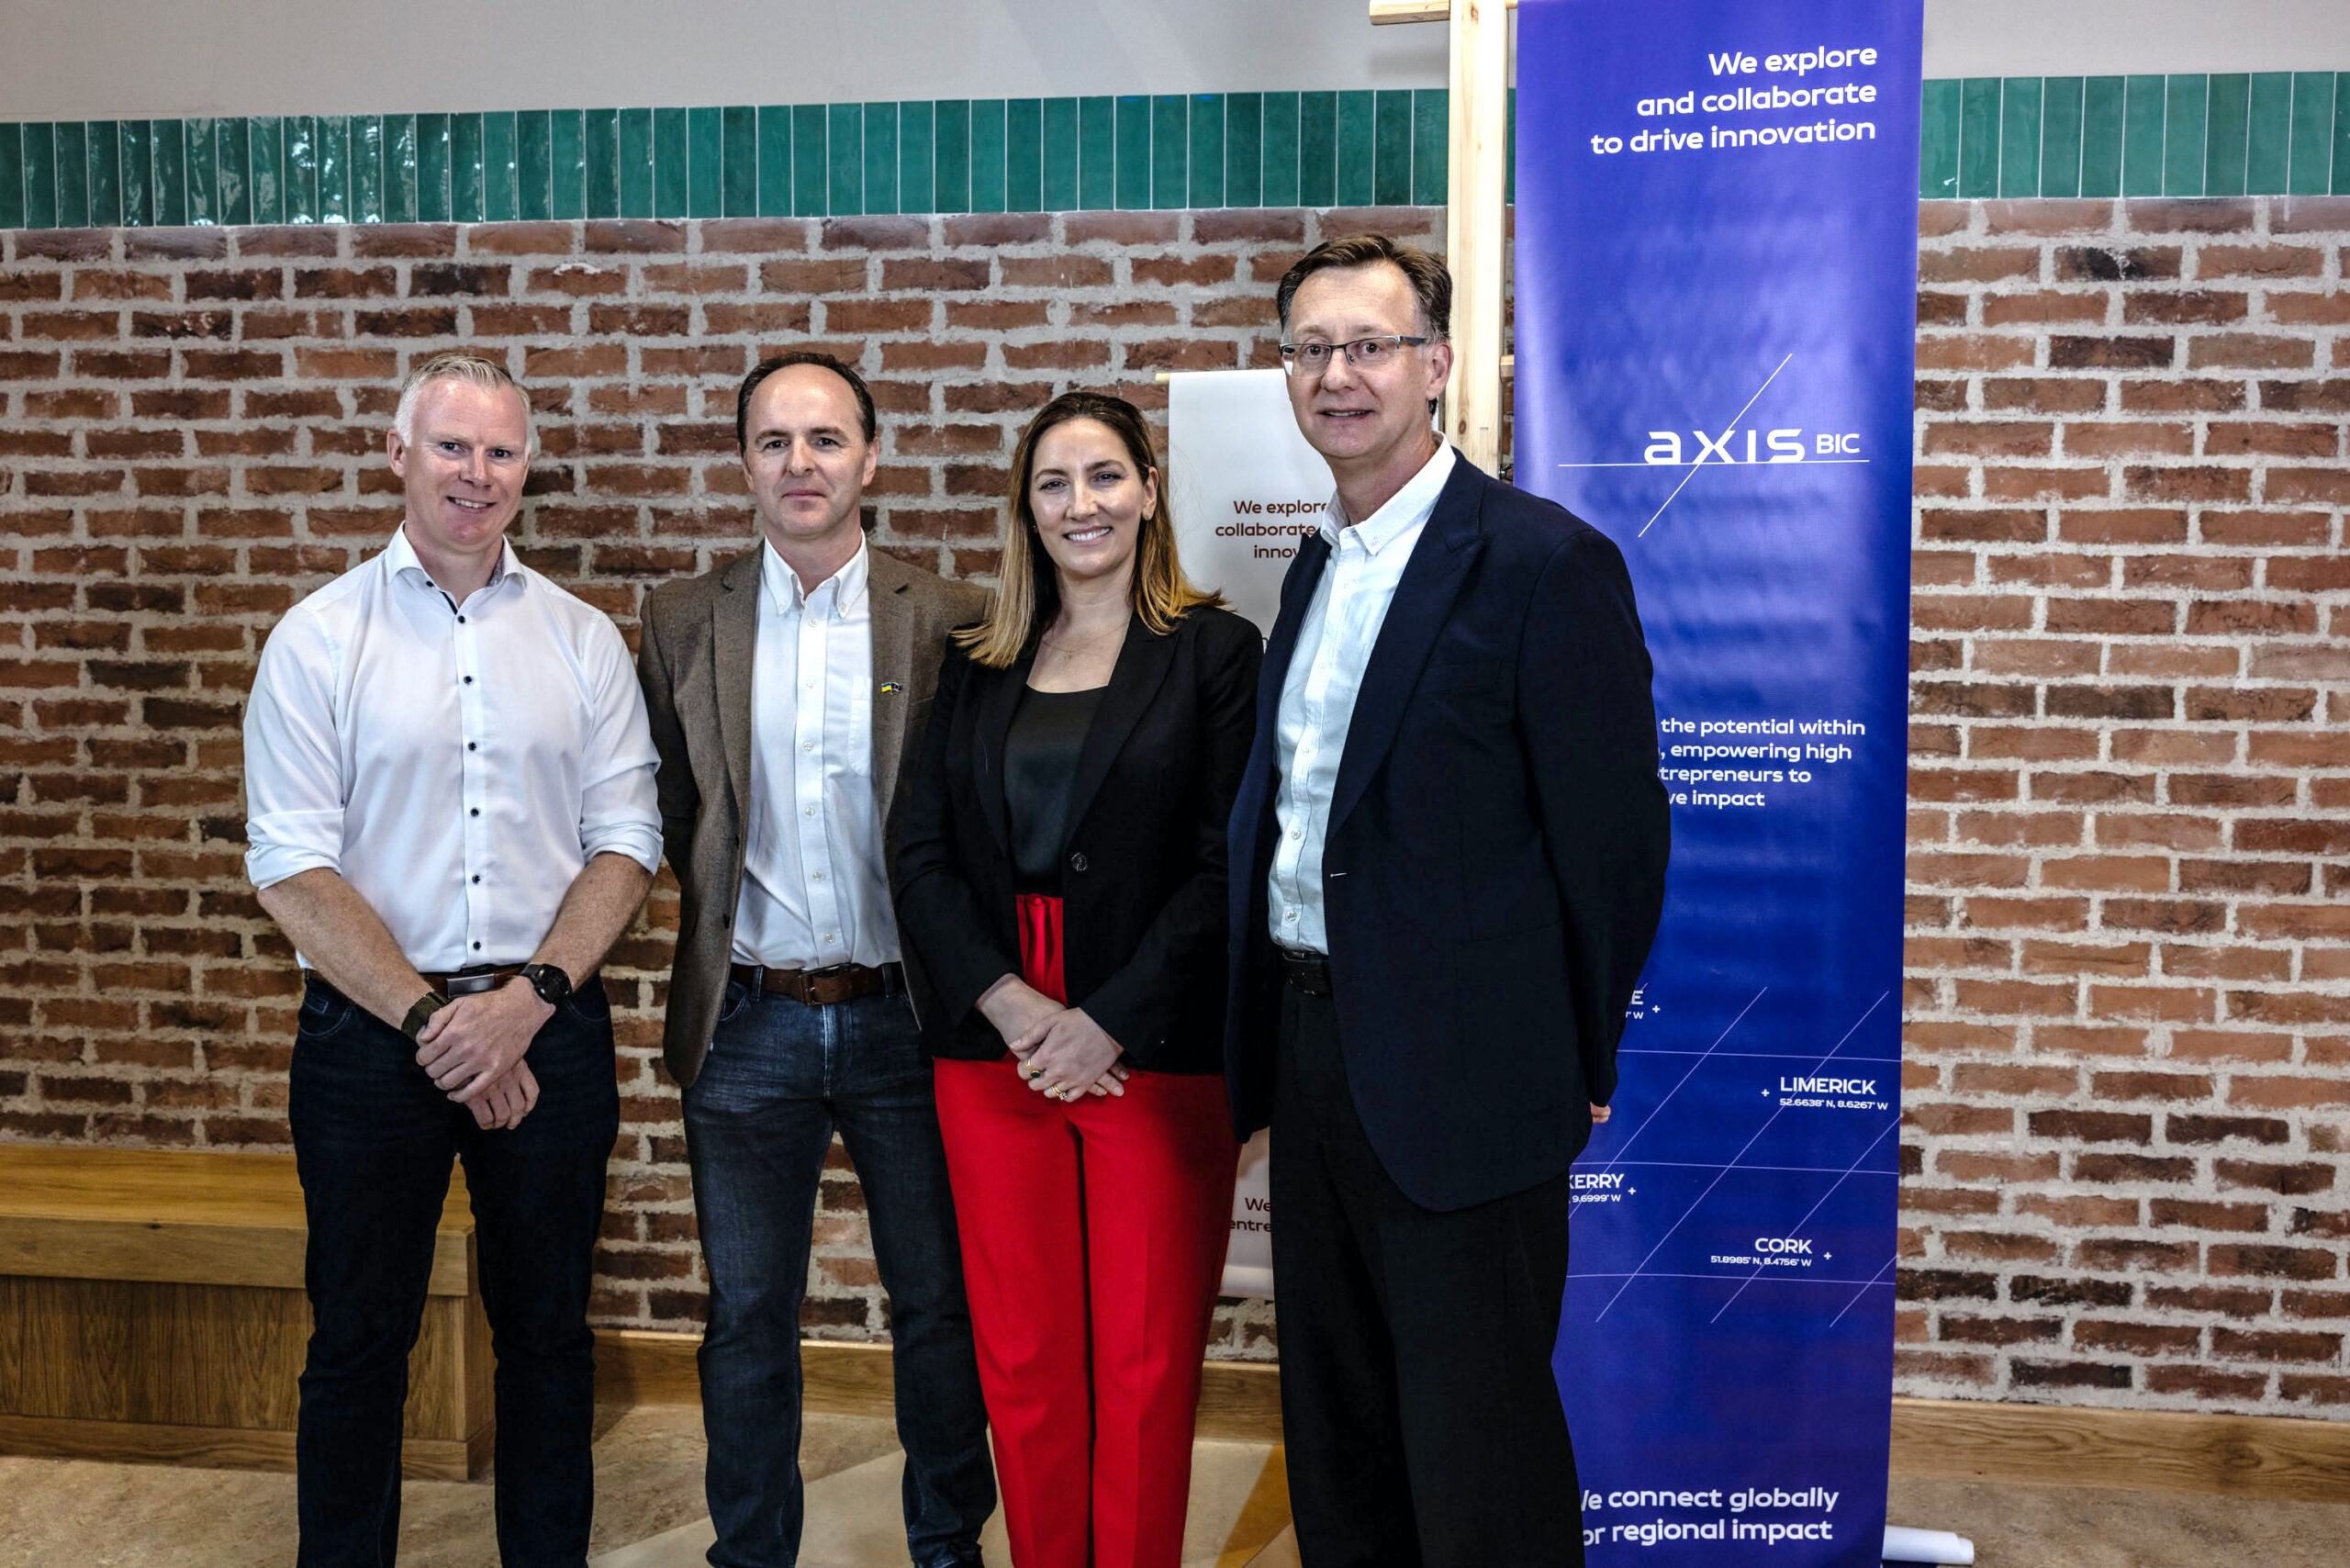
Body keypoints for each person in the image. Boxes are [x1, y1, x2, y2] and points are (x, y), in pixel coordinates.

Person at [1223, 235, 1672, 1567]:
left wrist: (1580, 1055)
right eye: (1311, 349)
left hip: (1471, 1079)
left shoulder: (1541, 563)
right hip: (1314, 1059)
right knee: (1342, 1432)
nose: (1337, 375)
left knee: (1481, 1452)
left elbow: (1613, 842)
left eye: (1368, 345)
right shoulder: (1314, 570)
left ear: (1438, 364)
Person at [243, 352, 663, 1567]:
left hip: (550, 1032)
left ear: (526, 468)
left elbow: (628, 845)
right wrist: (439, 1022)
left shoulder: (583, 642)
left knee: (547, 1341)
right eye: (451, 447)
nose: (476, 474)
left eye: (499, 451)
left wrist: (524, 1003)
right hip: (370, 1044)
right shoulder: (318, 640)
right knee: (360, 1346)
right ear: (397, 455)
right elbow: (291, 867)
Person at [634, 353, 995, 1568]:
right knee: (745, 1318)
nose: (802, 464)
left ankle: (948, 1547)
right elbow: (682, 812)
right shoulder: (685, 616)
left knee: (941, 1312)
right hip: (750, 1024)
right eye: (776, 441)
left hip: (911, 1020)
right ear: (743, 462)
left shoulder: (947, 614)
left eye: (827, 439)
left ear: (871, 459)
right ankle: (752, 1555)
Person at [893, 391, 1260, 1568]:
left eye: (1104, 476)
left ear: (1150, 489)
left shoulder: (1213, 651)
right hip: (995, 1042)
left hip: (1147, 1041)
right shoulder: (978, 660)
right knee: (1026, 1357)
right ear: (1025, 508)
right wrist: (1009, 1003)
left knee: (1146, 1366)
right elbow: (919, 852)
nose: (1080, 504)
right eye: (1053, 484)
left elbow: (1227, 861)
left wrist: (1105, 1020)